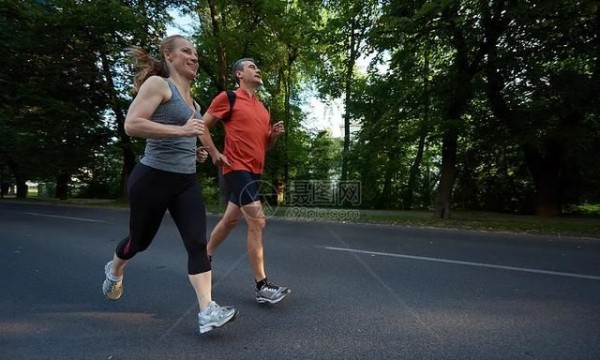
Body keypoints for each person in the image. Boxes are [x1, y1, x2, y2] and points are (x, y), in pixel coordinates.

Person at [101, 35, 237, 334]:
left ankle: (206, 311)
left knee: (197, 242)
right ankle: (115, 269)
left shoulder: (195, 101)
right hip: (152, 177)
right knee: (139, 242)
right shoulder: (159, 85)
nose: (194, 56)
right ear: (169, 55)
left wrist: (199, 152)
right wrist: (182, 132)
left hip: (185, 181)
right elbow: (132, 125)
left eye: (196, 52)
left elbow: (187, 134)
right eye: (186, 51)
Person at [199, 58, 290, 304]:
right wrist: (215, 152)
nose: (257, 69)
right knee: (258, 221)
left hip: (254, 171)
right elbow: (202, 125)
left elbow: (265, 147)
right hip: (235, 168)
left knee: (230, 220)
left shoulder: (263, 107)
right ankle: (262, 286)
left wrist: (273, 136)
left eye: (257, 67)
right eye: (251, 67)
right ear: (239, 74)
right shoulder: (227, 98)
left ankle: (204, 255)